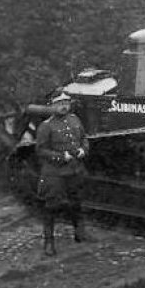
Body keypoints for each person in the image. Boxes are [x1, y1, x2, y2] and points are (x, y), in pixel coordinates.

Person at [35, 93, 91, 256]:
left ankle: (80, 233)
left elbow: (84, 138)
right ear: (52, 105)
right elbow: (40, 150)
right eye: (59, 103)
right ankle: (49, 242)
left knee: (76, 202)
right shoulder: (46, 126)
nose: (64, 106)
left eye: (66, 102)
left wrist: (83, 149)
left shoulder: (74, 119)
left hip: (74, 170)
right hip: (55, 173)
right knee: (51, 206)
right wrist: (60, 157)